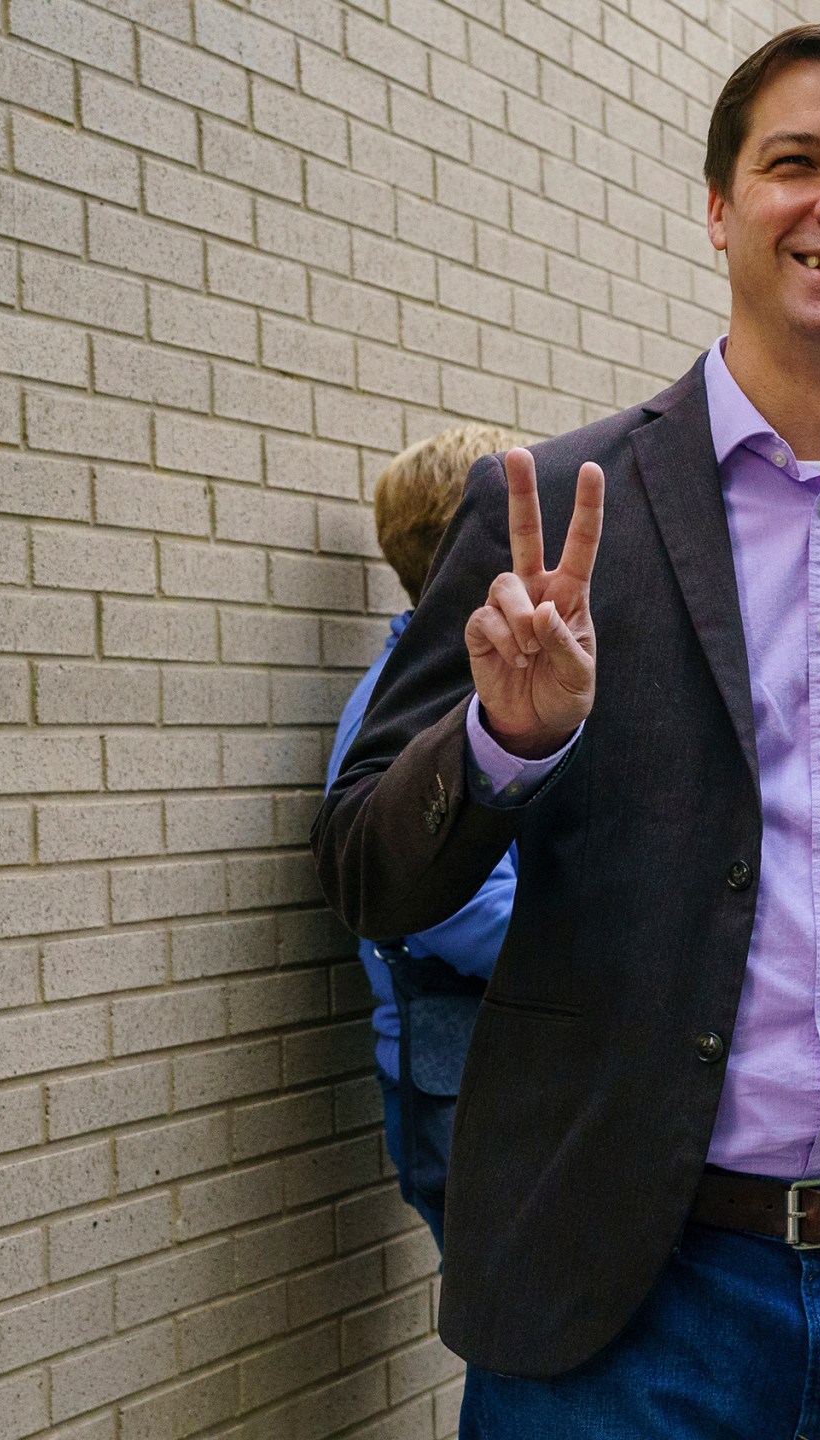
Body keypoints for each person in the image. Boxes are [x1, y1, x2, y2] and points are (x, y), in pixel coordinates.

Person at [314, 26, 820, 1438]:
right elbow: (372, 875)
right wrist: (505, 751)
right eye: (795, 162)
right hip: (618, 1313)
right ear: (717, 209)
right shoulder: (556, 504)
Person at [325, 423, 525, 1247]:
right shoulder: (398, 715)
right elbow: (447, 900)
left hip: (500, 1068)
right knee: (522, 1350)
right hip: (470, 1081)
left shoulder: (491, 686)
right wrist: (616, 953)